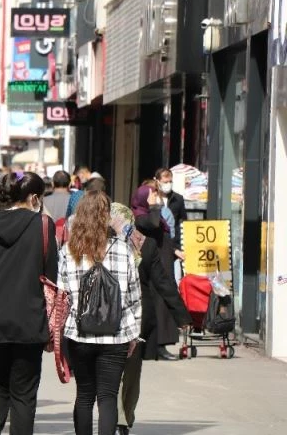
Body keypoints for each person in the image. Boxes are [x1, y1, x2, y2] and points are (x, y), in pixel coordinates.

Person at [0, 172, 58, 435]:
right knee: (23, 393)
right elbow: (51, 276)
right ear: (34, 198)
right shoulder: (43, 225)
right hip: (29, 318)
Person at [58, 191, 142, 435]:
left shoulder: (68, 252)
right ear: (107, 216)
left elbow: (62, 296)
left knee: (84, 395)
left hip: (79, 333)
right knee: (108, 396)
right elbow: (134, 296)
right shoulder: (124, 251)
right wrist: (133, 332)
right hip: (115, 334)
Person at [109, 203, 190, 435]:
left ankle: (112, 415)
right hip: (137, 316)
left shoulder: (101, 243)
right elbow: (163, 282)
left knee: (109, 369)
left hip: (106, 314)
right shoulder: (145, 244)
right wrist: (181, 315)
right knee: (131, 370)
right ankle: (123, 418)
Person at [131, 185, 181, 360]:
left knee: (162, 304)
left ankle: (160, 344)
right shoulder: (140, 216)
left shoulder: (149, 214)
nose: (155, 197)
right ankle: (158, 345)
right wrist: (154, 206)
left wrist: (175, 251)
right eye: (152, 195)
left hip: (162, 264)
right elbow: (152, 224)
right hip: (152, 268)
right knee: (157, 305)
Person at [155, 168, 187, 244]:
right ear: (158, 182)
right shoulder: (151, 197)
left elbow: (183, 221)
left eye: (170, 182)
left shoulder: (178, 199)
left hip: (172, 242)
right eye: (165, 182)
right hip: (155, 241)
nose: (168, 184)